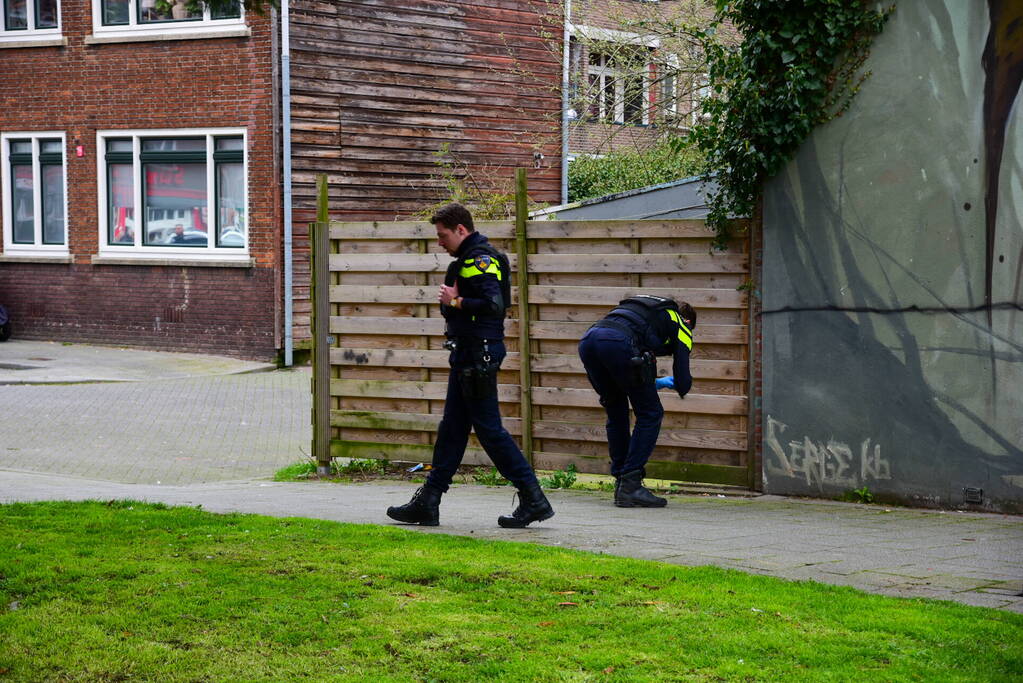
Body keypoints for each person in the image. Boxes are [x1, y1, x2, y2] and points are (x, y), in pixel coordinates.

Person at [386, 203, 554, 528]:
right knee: (452, 429)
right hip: (467, 354)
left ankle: (533, 498)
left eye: (443, 235)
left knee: (490, 431)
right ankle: (429, 501)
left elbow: (494, 305)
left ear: (461, 229)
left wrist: (456, 301)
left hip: (479, 355)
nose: (439, 242)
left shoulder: (480, 260)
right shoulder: (467, 261)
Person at [578, 295, 696, 507]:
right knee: (651, 413)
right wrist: (676, 382)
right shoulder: (680, 323)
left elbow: (629, 363)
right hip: (618, 343)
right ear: (687, 321)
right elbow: (684, 382)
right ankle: (631, 483)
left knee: (617, 411)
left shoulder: (647, 313)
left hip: (589, 341)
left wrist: (655, 382)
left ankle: (622, 484)